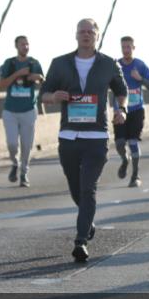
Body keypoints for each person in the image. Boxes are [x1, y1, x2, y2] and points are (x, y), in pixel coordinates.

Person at [40, 19, 127, 262]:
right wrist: (54, 96)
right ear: (76, 35)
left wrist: (122, 110)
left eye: (90, 32)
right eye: (82, 32)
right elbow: (43, 94)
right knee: (75, 187)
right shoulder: (60, 64)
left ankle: (80, 241)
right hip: (68, 136)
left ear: (97, 36)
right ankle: (87, 222)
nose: (86, 35)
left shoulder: (108, 64)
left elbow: (122, 91)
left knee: (88, 188)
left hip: (96, 137)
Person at [0, 35, 43, 187]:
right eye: (22, 44)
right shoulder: (9, 63)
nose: (25, 47)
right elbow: (2, 85)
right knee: (12, 144)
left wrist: (36, 77)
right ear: (16, 46)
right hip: (10, 111)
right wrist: (17, 74)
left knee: (26, 144)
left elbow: (42, 78)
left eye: (27, 44)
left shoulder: (34, 62)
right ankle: (14, 163)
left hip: (28, 110)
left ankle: (24, 173)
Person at [116, 36, 149, 188]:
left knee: (132, 142)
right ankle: (125, 159)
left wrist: (139, 79)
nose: (126, 50)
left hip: (137, 109)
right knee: (119, 143)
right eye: (123, 47)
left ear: (133, 47)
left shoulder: (140, 65)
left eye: (128, 47)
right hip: (119, 110)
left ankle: (135, 175)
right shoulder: (116, 65)